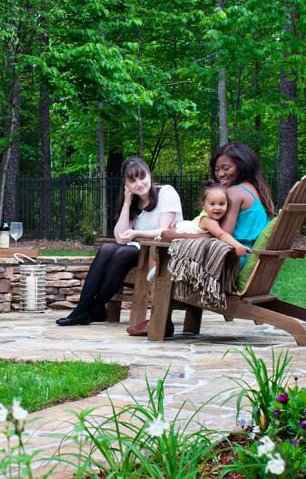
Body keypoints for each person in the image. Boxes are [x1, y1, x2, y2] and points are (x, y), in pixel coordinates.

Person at [127, 142, 275, 337]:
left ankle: (159, 320)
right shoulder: (256, 190)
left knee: (162, 254)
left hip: (230, 262)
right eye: (217, 169)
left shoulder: (234, 193)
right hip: (245, 259)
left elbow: (219, 237)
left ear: (243, 165)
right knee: (170, 253)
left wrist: (174, 235)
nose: (221, 174)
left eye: (226, 168)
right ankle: (164, 318)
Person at [56, 156, 183, 326]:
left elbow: (164, 231)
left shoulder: (166, 192)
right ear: (126, 184)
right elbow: (120, 237)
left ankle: (94, 309)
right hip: (139, 249)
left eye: (142, 177)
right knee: (107, 248)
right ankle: (84, 309)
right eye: (132, 180)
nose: (139, 183)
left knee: (122, 252)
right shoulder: (133, 200)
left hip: (162, 250)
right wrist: (127, 202)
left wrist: (136, 232)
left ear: (149, 175)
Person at [168, 180, 250, 257]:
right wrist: (238, 246)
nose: (217, 208)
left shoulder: (207, 215)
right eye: (212, 204)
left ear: (227, 204)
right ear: (203, 205)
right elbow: (221, 234)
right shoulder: (209, 221)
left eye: (221, 204)